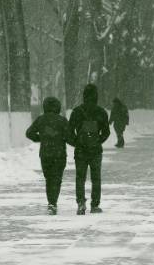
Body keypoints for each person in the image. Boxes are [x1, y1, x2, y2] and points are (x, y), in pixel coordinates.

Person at [68, 83, 111, 214]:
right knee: (96, 178)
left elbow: (69, 132)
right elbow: (106, 132)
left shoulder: (76, 111)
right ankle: (95, 204)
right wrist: (98, 141)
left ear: (84, 96)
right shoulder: (101, 112)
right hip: (95, 151)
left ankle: (81, 203)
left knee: (80, 177)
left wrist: (78, 143)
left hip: (81, 151)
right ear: (96, 96)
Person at [25, 96, 70, 215]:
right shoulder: (62, 120)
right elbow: (70, 137)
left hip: (45, 154)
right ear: (58, 107)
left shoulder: (41, 119)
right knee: (57, 179)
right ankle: (53, 202)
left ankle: (51, 202)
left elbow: (29, 133)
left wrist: (41, 138)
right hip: (60, 154)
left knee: (49, 179)